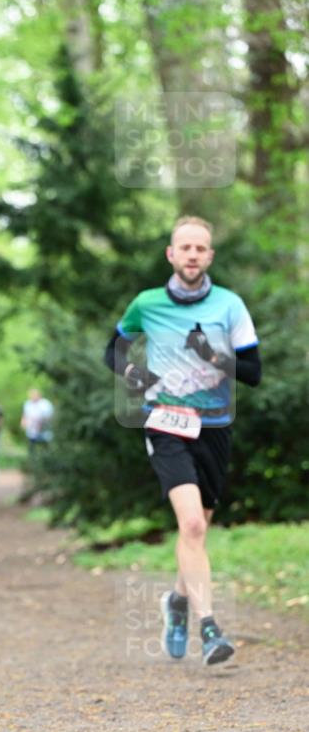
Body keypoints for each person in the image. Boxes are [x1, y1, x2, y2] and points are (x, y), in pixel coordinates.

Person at [104, 216, 261, 665]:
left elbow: (253, 373)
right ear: (171, 254)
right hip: (166, 423)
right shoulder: (147, 303)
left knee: (199, 528)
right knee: (191, 525)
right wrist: (135, 374)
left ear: (210, 256)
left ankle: (176, 601)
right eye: (185, 247)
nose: (192, 254)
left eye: (200, 248)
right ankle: (209, 628)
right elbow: (112, 349)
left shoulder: (230, 306)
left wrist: (211, 355)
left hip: (214, 427)